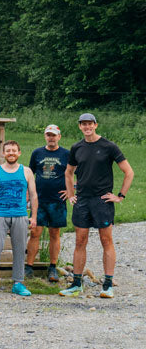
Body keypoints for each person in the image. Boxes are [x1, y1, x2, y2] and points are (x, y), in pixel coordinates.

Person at [60, 113, 134, 298]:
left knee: (106, 240)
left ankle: (108, 284)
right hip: (82, 200)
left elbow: (128, 172)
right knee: (80, 241)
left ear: (95, 125)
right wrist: (70, 194)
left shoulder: (108, 146)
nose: (87, 127)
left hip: (102, 201)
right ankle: (77, 283)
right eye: (83, 124)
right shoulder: (77, 147)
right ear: (80, 127)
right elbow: (68, 172)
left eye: (90, 124)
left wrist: (120, 196)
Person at [0, 141, 37, 296]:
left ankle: (18, 282)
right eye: (8, 151)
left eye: (14, 150)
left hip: (20, 215)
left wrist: (33, 216)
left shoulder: (26, 171)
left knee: (19, 249)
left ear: (19, 153)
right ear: (3, 154)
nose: (11, 153)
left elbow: (33, 195)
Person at [24, 124, 68, 282]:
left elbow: (74, 173)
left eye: (54, 135)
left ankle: (53, 267)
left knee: (54, 233)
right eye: (48, 135)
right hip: (39, 199)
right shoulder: (37, 153)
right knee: (35, 232)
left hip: (57, 200)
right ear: (45, 136)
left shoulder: (66, 154)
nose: (51, 138)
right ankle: (29, 266)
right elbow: (30, 174)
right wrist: (28, 193)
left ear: (59, 137)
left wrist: (72, 190)